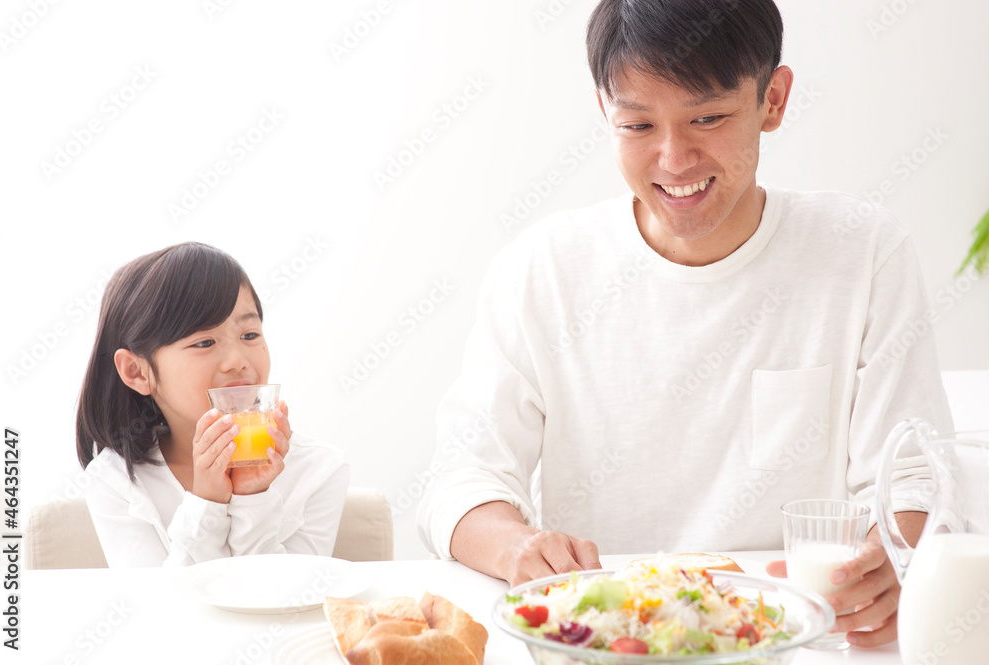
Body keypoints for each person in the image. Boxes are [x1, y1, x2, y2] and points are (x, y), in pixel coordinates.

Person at [416, 0, 951, 648]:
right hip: (604, 640)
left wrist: (892, 561)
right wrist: (516, 547)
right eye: (638, 125)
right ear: (605, 113)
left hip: (792, 636)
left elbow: (911, 478)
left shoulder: (861, 253)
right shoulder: (543, 269)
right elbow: (460, 480)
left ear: (773, 100)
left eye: (707, 117)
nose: (674, 159)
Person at [76, 242, 349, 567]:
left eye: (249, 335)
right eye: (204, 342)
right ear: (137, 372)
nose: (237, 361)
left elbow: (287, 593)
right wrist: (207, 502)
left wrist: (252, 498)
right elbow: (159, 598)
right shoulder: (115, 480)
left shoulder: (318, 470)